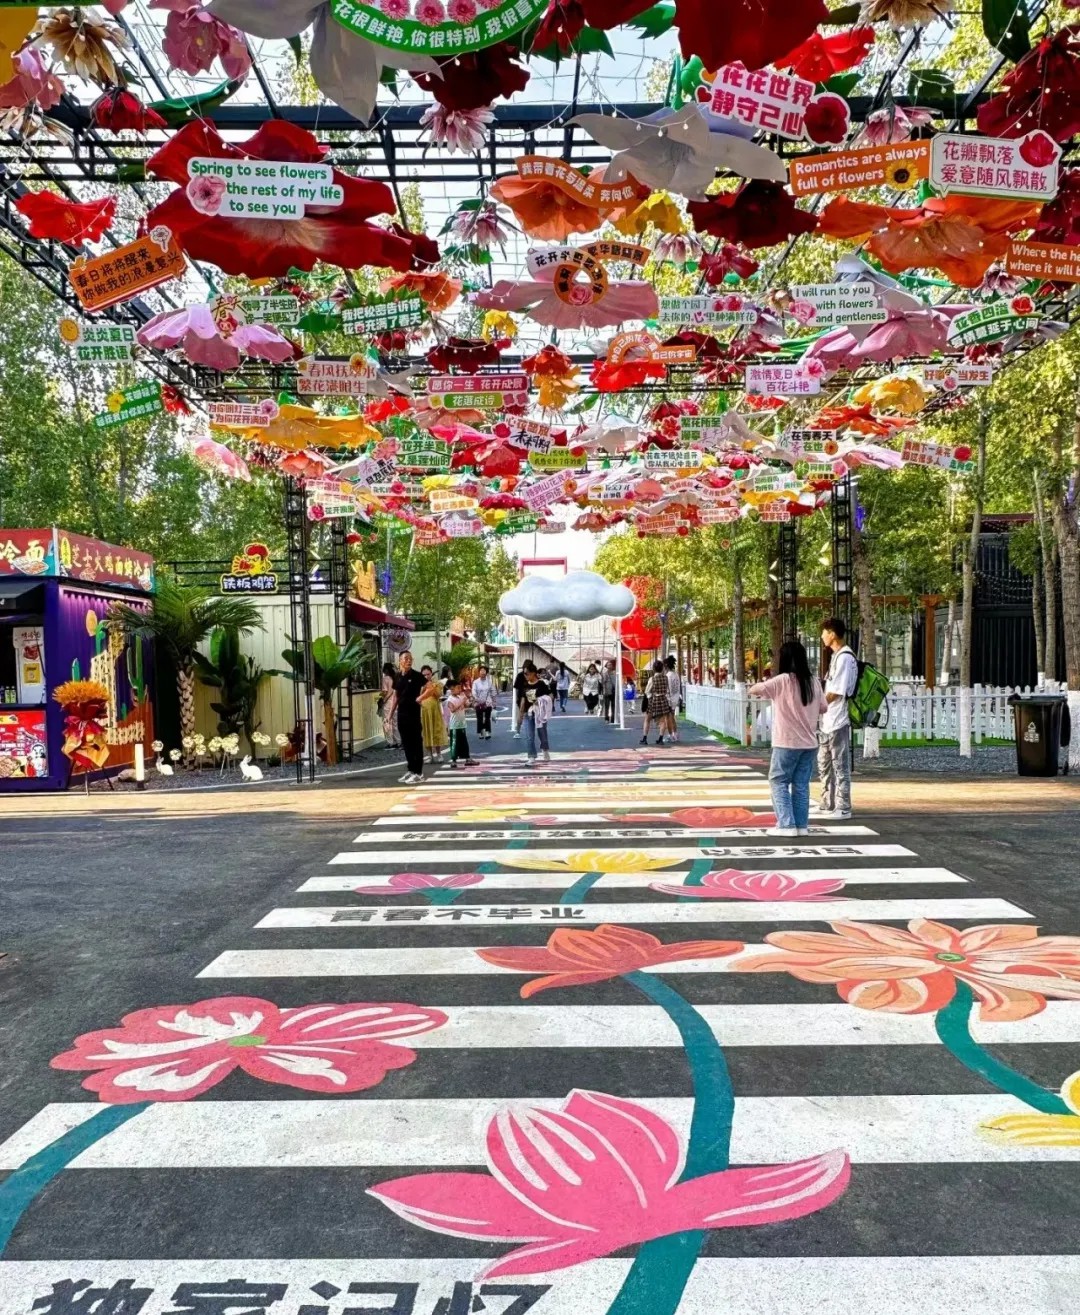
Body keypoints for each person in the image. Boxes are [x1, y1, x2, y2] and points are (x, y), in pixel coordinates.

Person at [750, 640, 827, 837]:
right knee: (801, 785)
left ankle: (786, 825)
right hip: (809, 743)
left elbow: (755, 690)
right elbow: (824, 708)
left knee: (778, 781)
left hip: (786, 742)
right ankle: (801, 826)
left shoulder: (782, 680)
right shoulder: (813, 681)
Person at [819, 616, 859, 820]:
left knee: (840, 764)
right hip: (828, 720)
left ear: (832, 634)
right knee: (824, 763)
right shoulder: (836, 656)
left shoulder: (845, 658)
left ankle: (843, 806)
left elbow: (837, 691)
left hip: (838, 719)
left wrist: (818, 704)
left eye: (824, 632)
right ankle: (827, 802)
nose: (822, 636)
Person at [395, 651, 427, 784]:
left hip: (413, 714)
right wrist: (389, 715)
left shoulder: (417, 676)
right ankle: (411, 769)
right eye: (406, 658)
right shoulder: (397, 676)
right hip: (401, 714)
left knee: (416, 743)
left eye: (410, 659)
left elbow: (431, 687)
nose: (408, 661)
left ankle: (419, 772)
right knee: (406, 743)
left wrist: (420, 697)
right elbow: (395, 697)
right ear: (400, 661)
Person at [517, 662, 553, 765]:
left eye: (527, 673)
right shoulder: (524, 685)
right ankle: (531, 756)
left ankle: (545, 749)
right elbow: (523, 701)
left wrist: (541, 700)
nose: (525, 675)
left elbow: (550, 696)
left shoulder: (541, 684)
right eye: (524, 674)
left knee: (542, 734)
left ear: (533, 673)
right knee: (529, 736)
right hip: (528, 713)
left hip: (539, 713)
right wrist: (520, 715)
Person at [418, 664, 448, 763]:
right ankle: (429, 755)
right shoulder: (419, 684)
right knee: (426, 732)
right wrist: (424, 687)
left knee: (436, 731)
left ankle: (439, 754)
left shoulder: (436, 683)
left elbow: (439, 695)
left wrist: (431, 687)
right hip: (424, 710)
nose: (426, 676)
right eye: (424, 675)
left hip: (435, 710)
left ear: (431, 674)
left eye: (428, 674)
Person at [445, 679, 478, 768]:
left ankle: (467, 758)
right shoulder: (450, 700)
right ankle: (453, 760)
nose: (459, 690)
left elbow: (467, 705)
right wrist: (462, 702)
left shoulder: (460, 697)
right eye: (457, 688)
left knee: (464, 742)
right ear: (452, 689)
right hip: (454, 725)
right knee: (454, 743)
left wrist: (471, 700)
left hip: (462, 724)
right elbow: (452, 709)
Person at [642, 659, 672, 745]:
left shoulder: (652, 679)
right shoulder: (666, 678)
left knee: (647, 719)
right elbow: (668, 690)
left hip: (654, 700)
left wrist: (649, 698)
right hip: (663, 700)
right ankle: (660, 738)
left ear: (654, 669)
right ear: (662, 668)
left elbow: (647, 691)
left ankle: (645, 738)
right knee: (662, 721)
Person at [472, 664, 496, 740]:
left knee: (487, 718)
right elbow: (473, 691)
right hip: (478, 702)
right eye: (481, 670)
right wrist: (476, 698)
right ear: (479, 672)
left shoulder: (489, 682)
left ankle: (487, 732)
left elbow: (493, 691)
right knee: (479, 718)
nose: (482, 672)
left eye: (484, 670)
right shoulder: (475, 682)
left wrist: (494, 701)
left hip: (487, 702)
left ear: (486, 672)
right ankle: (481, 732)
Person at [380, 662, 400, 749]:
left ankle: (390, 742)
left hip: (388, 703)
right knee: (395, 723)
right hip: (395, 703)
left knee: (386, 722)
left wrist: (382, 698)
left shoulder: (385, 679)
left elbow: (385, 691)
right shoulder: (395, 678)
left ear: (386, 670)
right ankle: (398, 741)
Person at [665, 655, 683, 742]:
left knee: (668, 718)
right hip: (675, 698)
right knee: (672, 717)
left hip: (670, 699)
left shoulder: (668, 676)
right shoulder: (676, 675)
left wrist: (667, 699)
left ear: (666, 666)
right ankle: (675, 734)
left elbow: (668, 689)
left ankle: (670, 735)